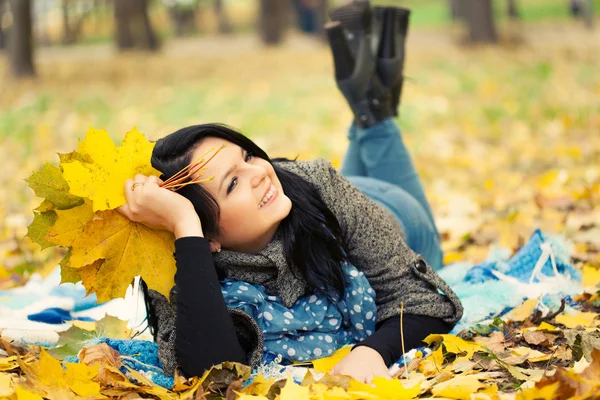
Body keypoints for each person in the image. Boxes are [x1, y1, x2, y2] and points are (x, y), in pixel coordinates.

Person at [117, 1, 462, 384]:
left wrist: (373, 350)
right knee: (335, 189)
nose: (260, 173)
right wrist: (184, 224)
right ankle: (368, 100)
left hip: (391, 212)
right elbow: (210, 374)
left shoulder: (316, 182)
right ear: (206, 235)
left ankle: (373, 113)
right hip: (327, 203)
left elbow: (424, 299)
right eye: (232, 183)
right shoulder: (173, 254)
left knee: (400, 224)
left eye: (247, 156)